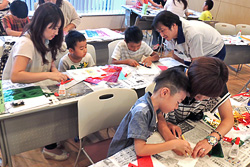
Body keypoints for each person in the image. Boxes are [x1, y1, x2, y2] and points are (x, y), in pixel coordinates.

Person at [2, 3, 69, 161]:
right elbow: (16, 76)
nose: (56, 32)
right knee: (51, 111)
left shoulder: (45, 38)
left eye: (58, 28)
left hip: (33, 85)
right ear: (41, 24)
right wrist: (48, 76)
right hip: (15, 91)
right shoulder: (27, 42)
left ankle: (49, 143)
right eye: (53, 28)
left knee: (60, 103)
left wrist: (55, 72)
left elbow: (50, 62)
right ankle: (49, 147)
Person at [157, 57, 234, 158]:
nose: (200, 99)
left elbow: (228, 119)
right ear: (188, 76)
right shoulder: (171, 79)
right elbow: (158, 115)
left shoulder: (216, 85)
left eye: (207, 96)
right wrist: (171, 140)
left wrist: (211, 140)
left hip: (187, 125)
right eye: (197, 95)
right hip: (163, 128)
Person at [108, 67, 192, 157]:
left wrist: (169, 125)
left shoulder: (155, 103)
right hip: (121, 154)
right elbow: (140, 150)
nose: (176, 107)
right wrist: (173, 144)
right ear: (164, 93)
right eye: (178, 102)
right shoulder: (142, 112)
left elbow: (159, 118)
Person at [152, 10, 226, 65]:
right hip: (198, 49)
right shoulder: (171, 32)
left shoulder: (193, 34)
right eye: (159, 32)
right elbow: (174, 53)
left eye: (163, 30)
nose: (162, 35)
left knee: (206, 76)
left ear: (174, 25)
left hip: (214, 49)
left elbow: (196, 62)